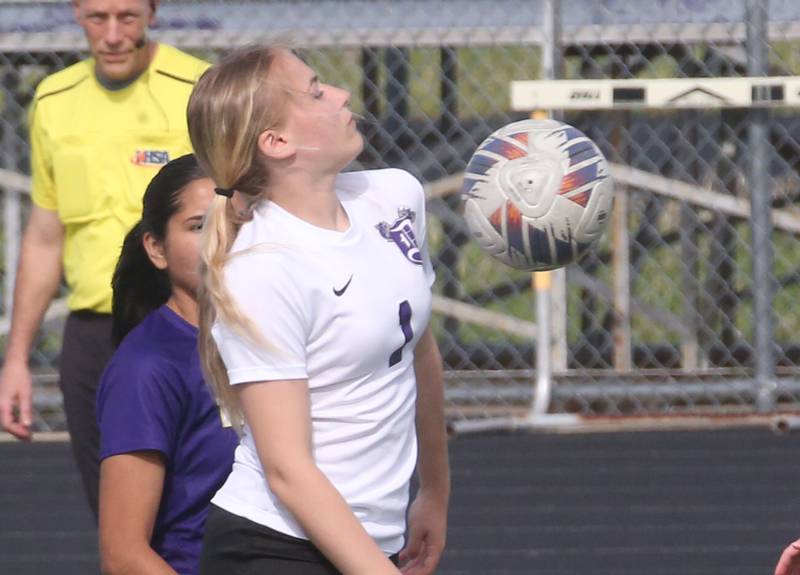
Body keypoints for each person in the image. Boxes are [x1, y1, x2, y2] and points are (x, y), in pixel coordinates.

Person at [186, 46, 450, 575]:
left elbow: (419, 351)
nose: (341, 94)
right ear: (277, 142)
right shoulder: (264, 268)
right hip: (278, 546)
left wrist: (435, 494)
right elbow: (287, 470)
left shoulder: (395, 196)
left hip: (368, 538)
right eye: (315, 91)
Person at [0, 0, 208, 518]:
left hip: (189, 328)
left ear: (154, 12)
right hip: (94, 336)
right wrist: (17, 359)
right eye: (98, 18)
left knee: (200, 507)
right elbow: (46, 236)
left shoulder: (197, 89)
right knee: (117, 518)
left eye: (128, 17)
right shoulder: (53, 100)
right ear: (75, 13)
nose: (113, 34)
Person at [96, 154, 238, 575]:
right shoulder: (146, 368)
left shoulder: (279, 340)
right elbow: (123, 556)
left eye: (235, 219)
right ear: (156, 248)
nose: (221, 238)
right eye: (199, 225)